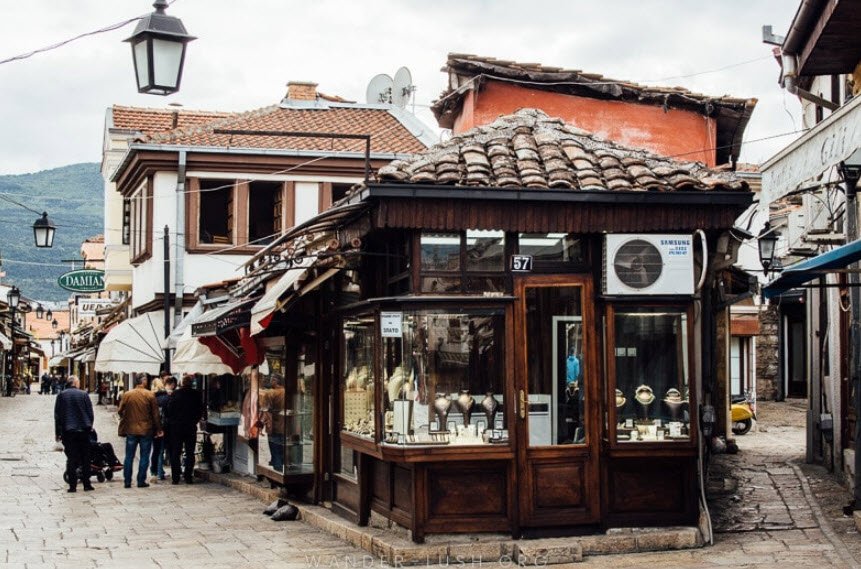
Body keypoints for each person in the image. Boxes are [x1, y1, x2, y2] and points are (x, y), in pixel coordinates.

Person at [117, 375, 162, 488]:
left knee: (129, 456)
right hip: (146, 430)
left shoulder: (127, 394)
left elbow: (120, 410)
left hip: (131, 429)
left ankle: (127, 481)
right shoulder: (150, 395)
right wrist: (159, 429)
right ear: (143, 381)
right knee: (144, 456)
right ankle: (141, 480)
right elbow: (156, 415)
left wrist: (127, 417)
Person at [53, 376, 95, 493]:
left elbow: (58, 416)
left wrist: (58, 433)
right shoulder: (84, 394)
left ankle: (72, 486)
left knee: (71, 459)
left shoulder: (62, 395)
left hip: (68, 431)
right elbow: (90, 412)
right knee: (86, 458)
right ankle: (87, 484)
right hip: (83, 430)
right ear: (75, 383)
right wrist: (90, 425)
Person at [165, 374, 202, 485]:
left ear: (181, 383)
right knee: (190, 452)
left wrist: (172, 421)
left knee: (176, 452)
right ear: (191, 384)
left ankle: (175, 477)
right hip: (190, 427)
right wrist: (194, 421)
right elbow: (199, 411)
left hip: (176, 427)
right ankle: (188, 476)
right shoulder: (196, 394)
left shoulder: (175, 394)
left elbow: (168, 410)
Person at [148, 376, 170, 482]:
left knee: (155, 450)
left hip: (153, 428)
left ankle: (155, 472)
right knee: (162, 450)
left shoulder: (150, 398)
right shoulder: (167, 398)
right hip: (165, 427)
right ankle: (160, 472)